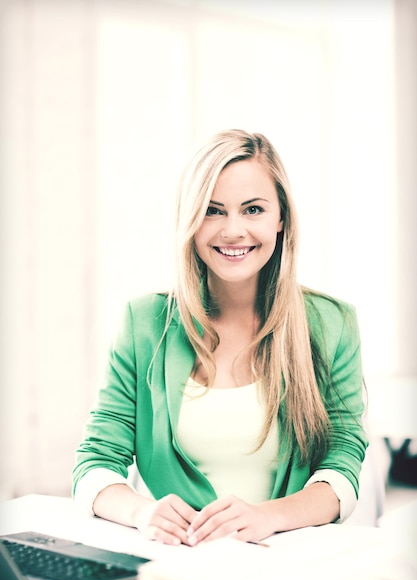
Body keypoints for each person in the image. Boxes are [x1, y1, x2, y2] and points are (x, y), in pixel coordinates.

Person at [72, 129, 368, 547]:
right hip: (181, 561)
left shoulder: (331, 323)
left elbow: (342, 466)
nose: (233, 230)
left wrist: (268, 517)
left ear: (280, 217)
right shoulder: (145, 322)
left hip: (292, 562)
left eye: (253, 209)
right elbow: (95, 463)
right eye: (212, 211)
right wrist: (142, 512)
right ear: (190, 221)